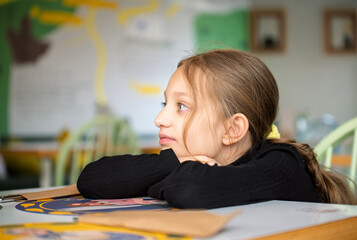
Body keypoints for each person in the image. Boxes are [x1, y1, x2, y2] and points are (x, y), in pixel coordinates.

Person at [77, 49, 356, 208]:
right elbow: (91, 179)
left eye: (181, 107)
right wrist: (175, 163)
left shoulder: (282, 165)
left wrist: (172, 173)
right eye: (165, 103)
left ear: (232, 129)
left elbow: (186, 189)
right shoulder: (193, 158)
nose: (159, 118)